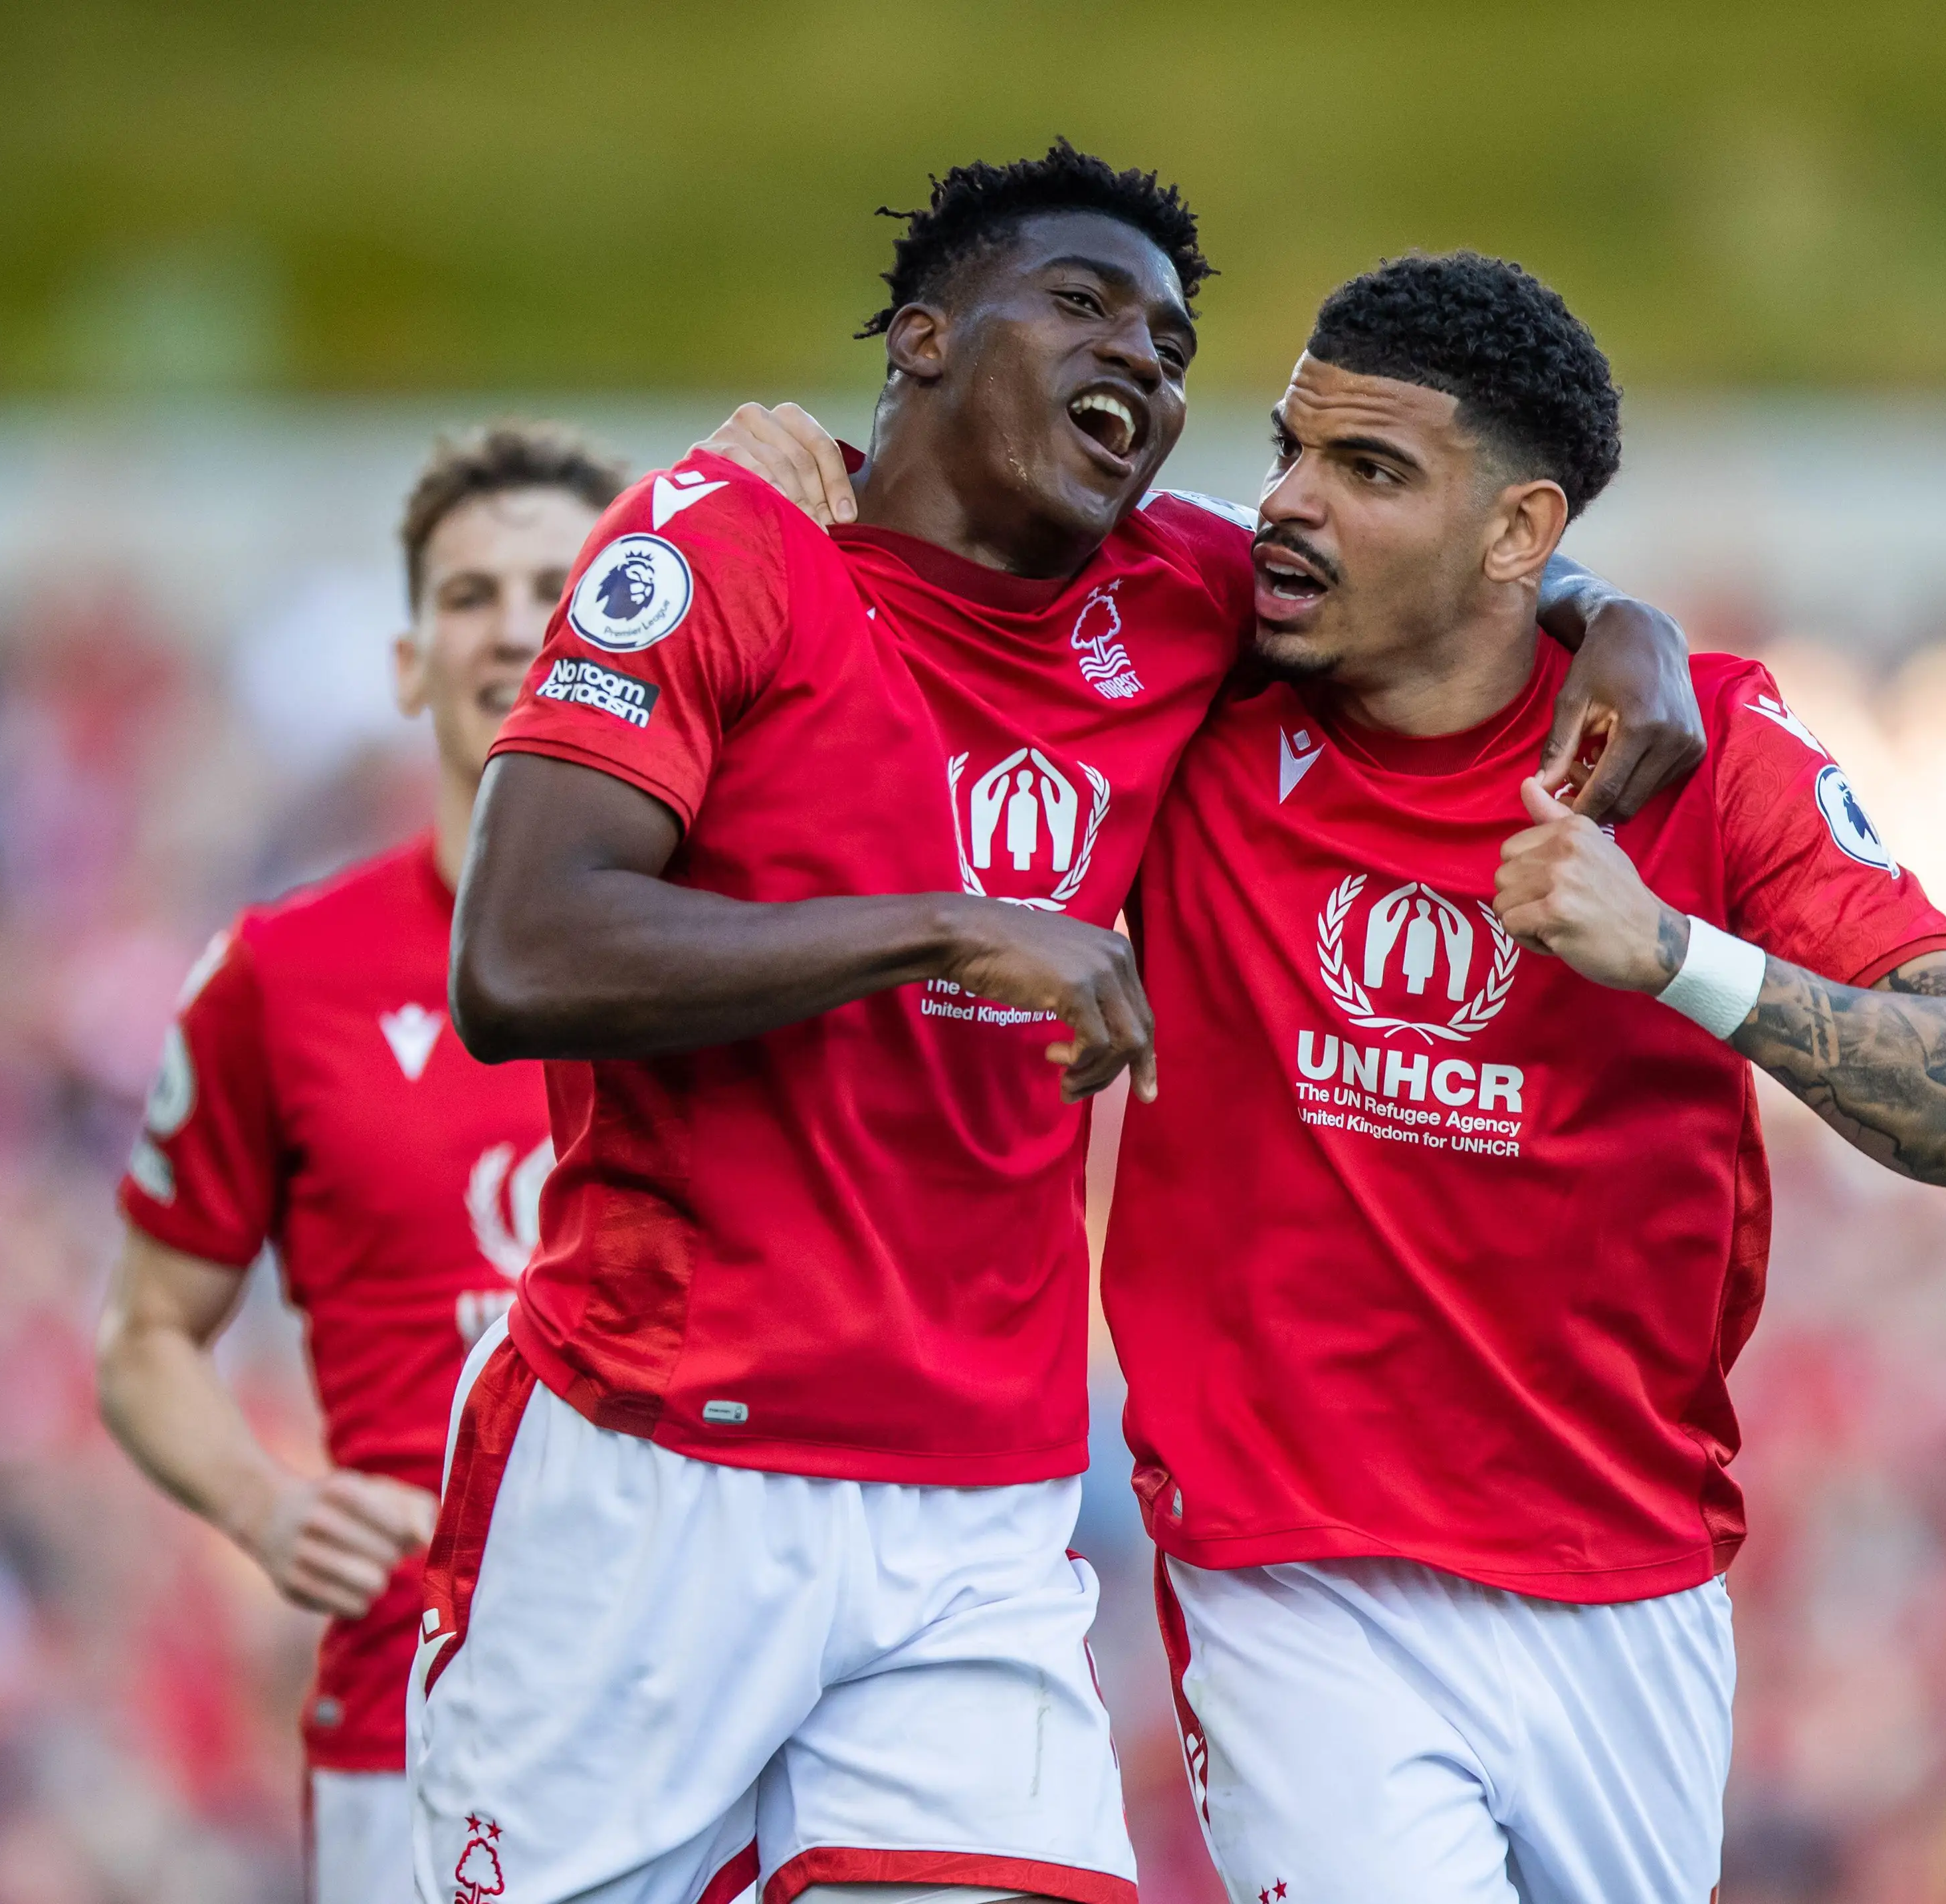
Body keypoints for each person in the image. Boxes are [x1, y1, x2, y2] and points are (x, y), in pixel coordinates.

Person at [429, 148, 1697, 1904]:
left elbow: (1424, 560)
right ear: (924, 338)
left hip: (982, 1505)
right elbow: (518, 954)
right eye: (1086, 306)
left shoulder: (1179, 595)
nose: (1143, 364)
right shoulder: (723, 547)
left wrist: (1619, 618)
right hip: (658, 1456)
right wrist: (947, 927)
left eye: (1173, 350)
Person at [1097, 255, 1946, 1903]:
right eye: (1290, 449)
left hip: (1625, 1585)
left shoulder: (1710, 750)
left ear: (1520, 532)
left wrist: (1679, 955)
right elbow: (961, 523)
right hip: (1295, 1573)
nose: (1288, 505)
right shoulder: (1202, 661)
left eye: (1368, 469)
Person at [94, 423, 625, 1904]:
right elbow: (143, 1334)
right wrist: (263, 1506)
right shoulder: (280, 975)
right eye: (469, 595)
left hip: (704, 1695)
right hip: (409, 1716)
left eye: (559, 586)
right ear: (406, 662)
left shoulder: (741, 949)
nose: (514, 626)